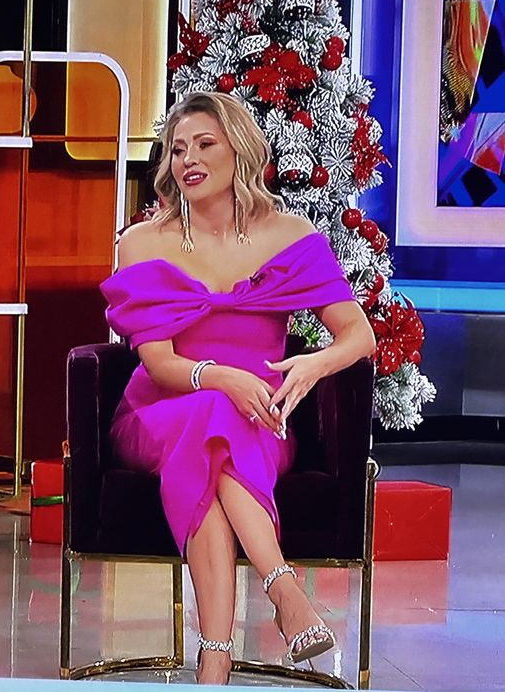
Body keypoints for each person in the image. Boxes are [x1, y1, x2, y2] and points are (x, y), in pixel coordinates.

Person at [100, 91, 376, 685]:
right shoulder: (142, 242)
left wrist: (313, 365)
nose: (188, 160)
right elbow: (159, 364)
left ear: (239, 151)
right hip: (159, 414)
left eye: (205, 144)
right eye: (177, 150)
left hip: (259, 424)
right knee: (210, 413)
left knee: (216, 440)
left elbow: (359, 335)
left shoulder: (288, 235)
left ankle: (215, 660)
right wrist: (222, 377)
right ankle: (284, 590)